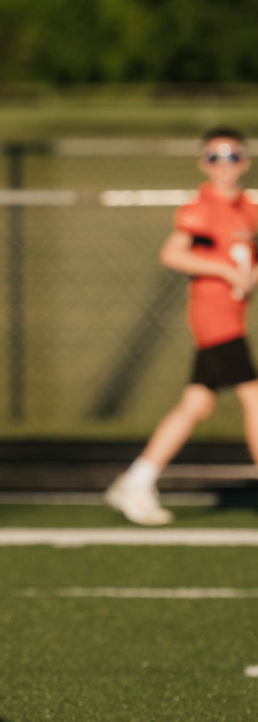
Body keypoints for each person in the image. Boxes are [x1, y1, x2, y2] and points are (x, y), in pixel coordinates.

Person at [106, 129, 258, 525]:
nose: (223, 164)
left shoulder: (248, 207)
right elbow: (173, 253)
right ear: (203, 163)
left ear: (244, 161)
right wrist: (225, 271)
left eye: (231, 155)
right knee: (254, 397)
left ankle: (137, 480)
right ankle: (136, 482)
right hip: (214, 317)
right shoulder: (202, 208)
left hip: (233, 316)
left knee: (197, 404)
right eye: (214, 156)